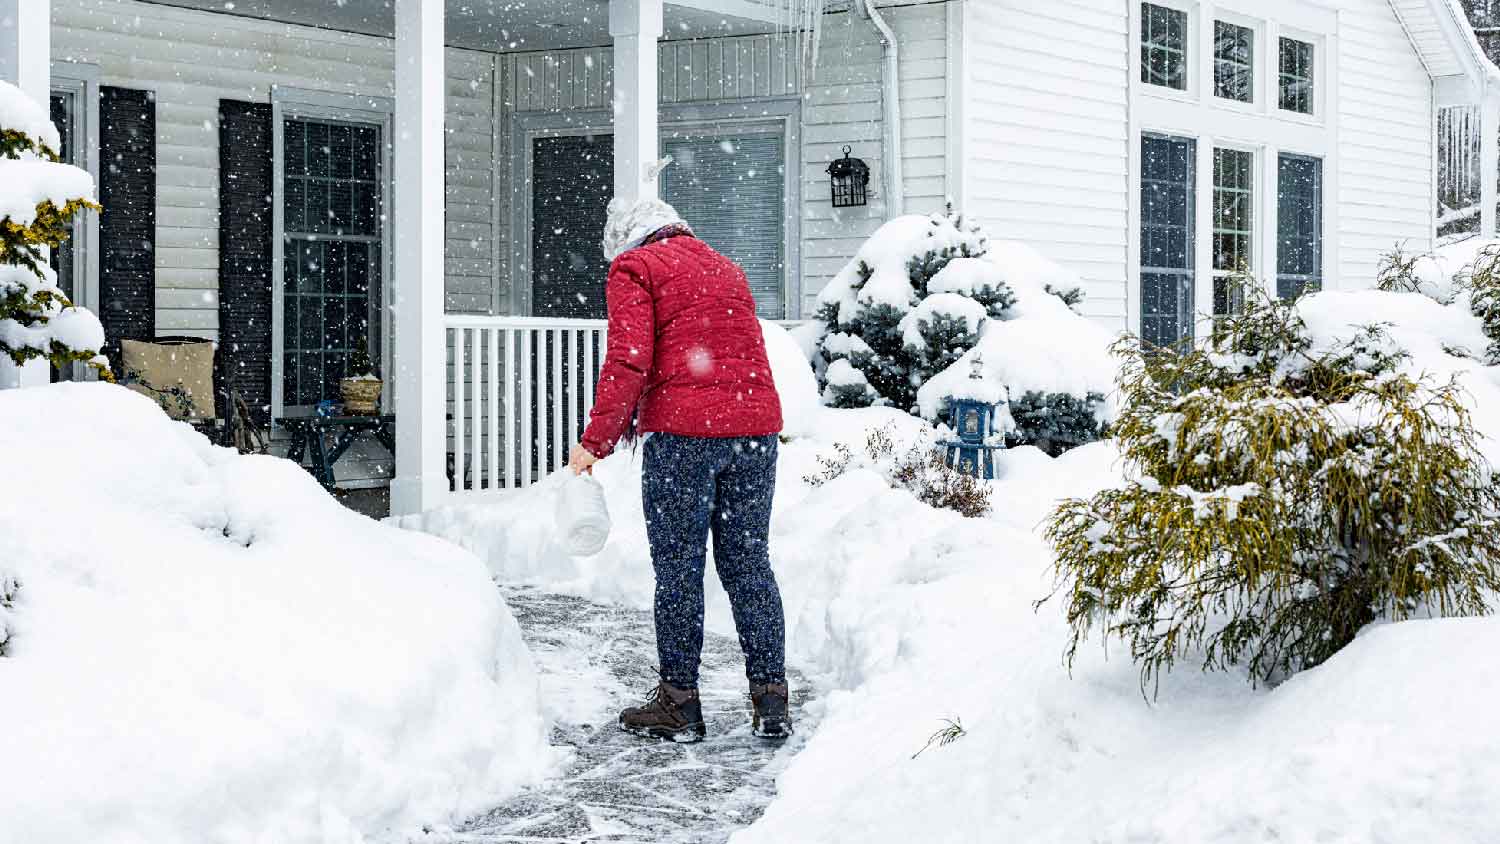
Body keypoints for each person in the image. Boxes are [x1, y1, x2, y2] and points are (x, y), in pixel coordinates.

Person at [567, 189, 790, 743]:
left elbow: (629, 358)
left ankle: (679, 703)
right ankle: (771, 700)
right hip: (754, 431)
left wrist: (596, 441)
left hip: (684, 437)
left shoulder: (635, 268)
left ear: (624, 239)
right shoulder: (725, 267)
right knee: (748, 564)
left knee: (680, 569)